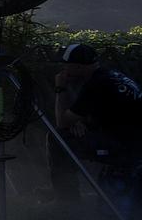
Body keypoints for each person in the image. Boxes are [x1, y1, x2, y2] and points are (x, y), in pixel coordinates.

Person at [48, 43, 142, 202]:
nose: (63, 71)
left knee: (58, 139)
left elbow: (62, 122)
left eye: (65, 66)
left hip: (126, 148)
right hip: (131, 139)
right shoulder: (111, 76)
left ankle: (67, 202)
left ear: (77, 67)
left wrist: (60, 88)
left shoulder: (96, 84)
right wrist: (79, 121)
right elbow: (110, 112)